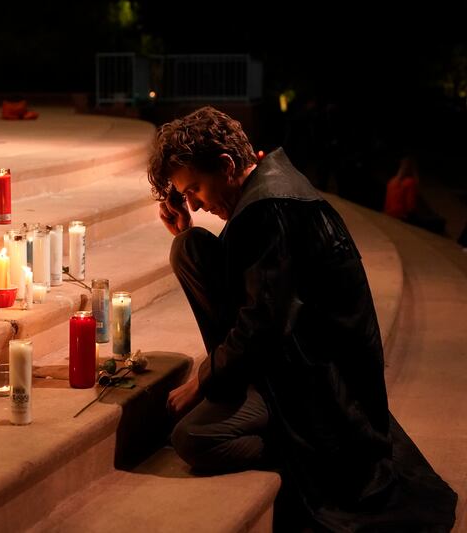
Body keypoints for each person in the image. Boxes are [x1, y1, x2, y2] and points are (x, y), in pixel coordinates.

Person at [148, 107, 457, 531]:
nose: (197, 206)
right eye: (187, 196)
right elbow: (253, 298)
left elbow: (262, 324)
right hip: (291, 367)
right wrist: (184, 232)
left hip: (320, 392)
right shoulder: (268, 193)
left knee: (194, 438)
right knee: (190, 247)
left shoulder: (271, 209)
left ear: (226, 164)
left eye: (195, 190)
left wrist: (203, 380)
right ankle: (259, 410)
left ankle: (298, 450)